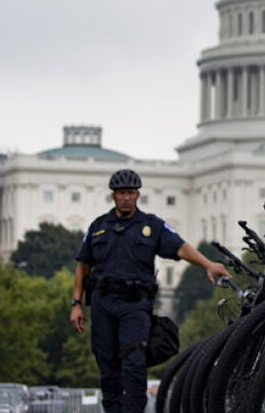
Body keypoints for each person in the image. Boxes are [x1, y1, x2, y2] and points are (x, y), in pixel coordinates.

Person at [70, 168, 229, 413]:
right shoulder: (98, 227)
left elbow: (180, 248)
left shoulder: (151, 226)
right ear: (113, 196)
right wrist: (76, 304)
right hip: (103, 303)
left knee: (134, 363)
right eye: (121, 193)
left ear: (138, 195)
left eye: (131, 193)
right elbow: (82, 267)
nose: (126, 198)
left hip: (135, 305)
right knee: (107, 365)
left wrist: (207, 263)